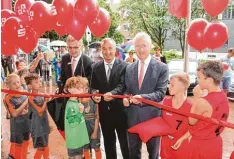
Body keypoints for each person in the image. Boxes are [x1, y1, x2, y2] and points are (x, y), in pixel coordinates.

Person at [123, 32, 169, 159]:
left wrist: (142, 98)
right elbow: (127, 89)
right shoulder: (129, 68)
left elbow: (160, 93)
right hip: (132, 117)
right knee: (133, 153)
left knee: (153, 154)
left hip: (152, 117)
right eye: (137, 46)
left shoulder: (162, 68)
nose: (141, 49)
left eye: (144, 45)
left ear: (150, 46)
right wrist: (126, 98)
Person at [180, 61, 229, 159]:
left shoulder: (203, 102)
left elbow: (191, 121)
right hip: (215, 143)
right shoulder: (224, 96)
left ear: (210, 81)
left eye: (199, 77)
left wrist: (197, 98)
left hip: (200, 145)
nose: (197, 80)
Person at [91, 38, 129, 159]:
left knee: (125, 143)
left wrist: (112, 93)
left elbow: (123, 85)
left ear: (115, 49)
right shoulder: (95, 67)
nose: (107, 52)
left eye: (110, 48)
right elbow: (92, 86)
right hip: (104, 112)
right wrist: (94, 94)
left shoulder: (124, 66)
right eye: (104, 49)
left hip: (121, 111)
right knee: (108, 143)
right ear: (101, 50)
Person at [58, 35, 93, 136]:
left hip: (82, 105)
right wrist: (61, 89)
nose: (72, 50)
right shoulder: (64, 58)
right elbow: (62, 78)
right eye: (70, 47)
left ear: (81, 46)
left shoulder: (88, 62)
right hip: (68, 103)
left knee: (83, 135)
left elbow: (89, 85)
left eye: (76, 47)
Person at [160, 72, 192, 159]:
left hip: (181, 144)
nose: (169, 87)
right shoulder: (165, 102)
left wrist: (182, 139)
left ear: (182, 87)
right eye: (169, 84)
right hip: (165, 144)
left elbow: (194, 129)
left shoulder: (190, 107)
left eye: (172, 85)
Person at [3, 74, 30, 159]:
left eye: (18, 82)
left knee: (26, 143)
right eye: (14, 83)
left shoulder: (24, 93)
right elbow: (14, 114)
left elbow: (28, 109)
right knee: (18, 146)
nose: (17, 85)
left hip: (26, 124)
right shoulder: (8, 97)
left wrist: (27, 108)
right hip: (17, 127)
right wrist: (26, 102)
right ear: (8, 85)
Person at [25, 73, 50, 159]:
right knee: (41, 147)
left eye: (39, 81)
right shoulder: (31, 97)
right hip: (37, 125)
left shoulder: (42, 94)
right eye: (36, 82)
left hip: (44, 123)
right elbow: (40, 111)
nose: (39, 83)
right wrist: (46, 101)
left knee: (45, 145)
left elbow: (46, 109)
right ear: (30, 86)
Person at [64, 76, 89, 159]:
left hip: (78, 138)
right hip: (74, 139)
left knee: (79, 156)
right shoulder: (71, 105)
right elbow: (72, 123)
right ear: (71, 89)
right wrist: (80, 112)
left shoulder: (76, 102)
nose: (82, 90)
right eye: (79, 88)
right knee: (75, 156)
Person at [80, 83, 102, 159]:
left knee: (96, 148)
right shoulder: (77, 101)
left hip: (93, 126)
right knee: (85, 149)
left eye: (86, 88)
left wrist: (95, 131)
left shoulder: (94, 99)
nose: (84, 90)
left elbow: (97, 116)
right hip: (83, 128)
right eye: (82, 88)